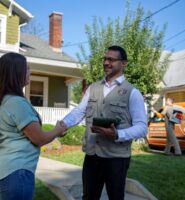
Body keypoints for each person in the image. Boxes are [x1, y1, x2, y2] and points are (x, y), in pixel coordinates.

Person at [62, 45, 147, 200]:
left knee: (115, 197)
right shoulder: (92, 88)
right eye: (105, 59)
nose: (106, 62)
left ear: (124, 63)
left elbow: (142, 127)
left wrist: (118, 134)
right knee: (89, 197)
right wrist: (63, 124)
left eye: (111, 59)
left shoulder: (133, 93)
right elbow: (79, 111)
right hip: (92, 155)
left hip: (116, 157)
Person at [0, 52, 66, 200]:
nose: (30, 71)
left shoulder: (5, 100)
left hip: (7, 171)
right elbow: (39, 138)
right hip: (16, 173)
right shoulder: (17, 103)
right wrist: (58, 129)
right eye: (27, 68)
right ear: (16, 73)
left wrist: (56, 132)